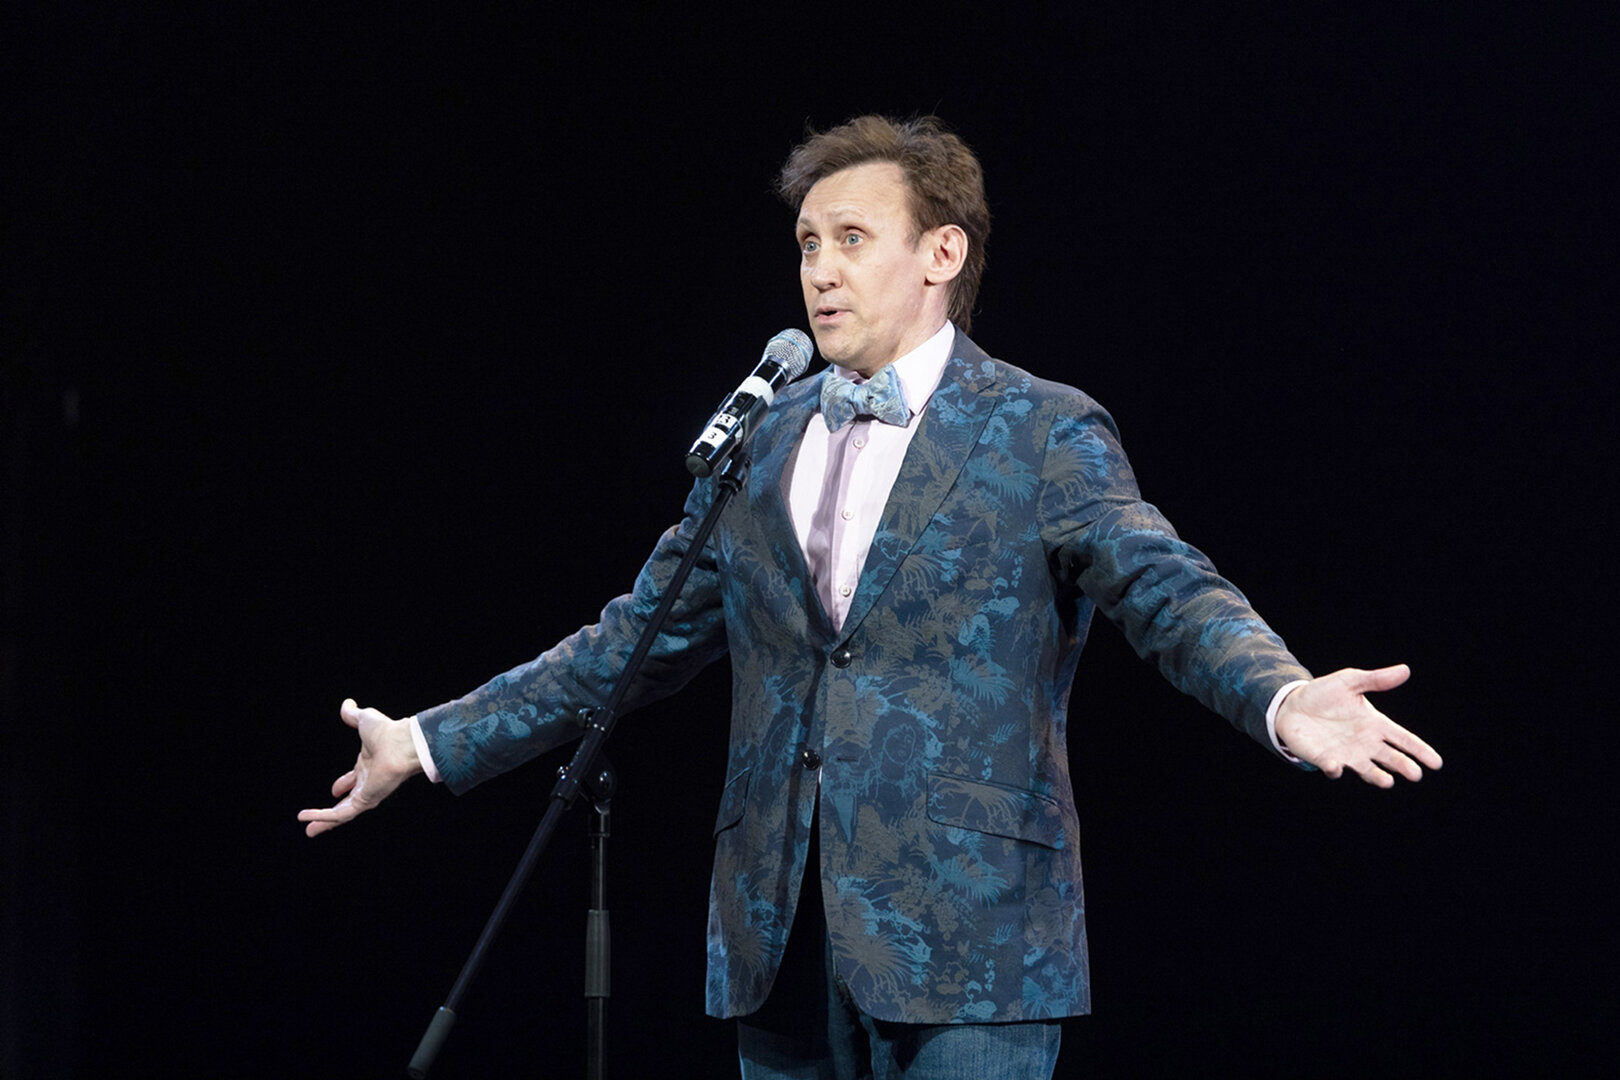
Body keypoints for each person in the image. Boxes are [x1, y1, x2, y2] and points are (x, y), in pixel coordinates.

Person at [300, 115, 1441, 1079]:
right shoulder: (761, 440)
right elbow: (630, 641)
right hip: (780, 934)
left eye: (852, 239)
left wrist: (1281, 695)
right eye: (808, 243)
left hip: (972, 939)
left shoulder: (1039, 428)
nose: (820, 270)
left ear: (942, 252)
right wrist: (429, 740)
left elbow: (1164, 587)